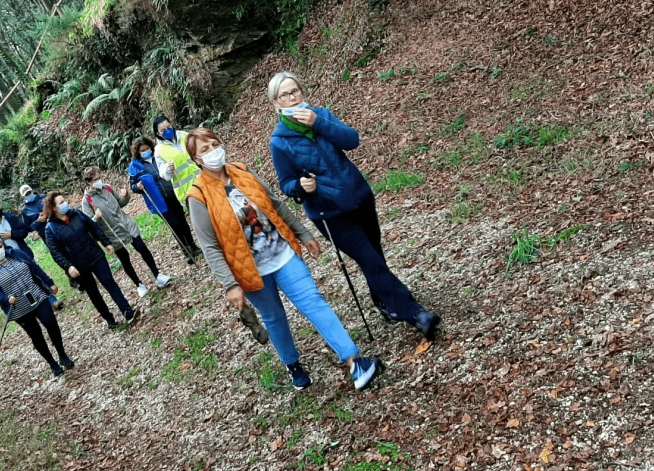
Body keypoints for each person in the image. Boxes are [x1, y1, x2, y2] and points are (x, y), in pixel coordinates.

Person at [185, 127, 381, 391]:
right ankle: (292, 365)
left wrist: (303, 234)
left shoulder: (242, 172)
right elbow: (209, 246)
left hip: (282, 253)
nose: (212, 152)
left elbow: (275, 205)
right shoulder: (198, 196)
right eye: (204, 150)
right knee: (274, 317)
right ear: (196, 159)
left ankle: (353, 361)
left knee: (313, 301)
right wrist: (230, 284)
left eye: (214, 144)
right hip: (250, 270)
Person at [267, 72, 440, 340]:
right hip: (329, 212)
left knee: (375, 254)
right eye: (285, 95)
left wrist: (319, 123)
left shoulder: (320, 114)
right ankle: (414, 312)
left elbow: (352, 140)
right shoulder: (280, 141)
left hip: (359, 196)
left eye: (295, 92)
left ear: (302, 92)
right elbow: (286, 183)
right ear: (276, 102)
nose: (292, 98)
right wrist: (301, 186)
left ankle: (384, 302)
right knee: (369, 259)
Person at [41, 190, 139, 329]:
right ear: (54, 208)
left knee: (110, 283)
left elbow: (94, 228)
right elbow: (55, 252)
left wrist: (106, 243)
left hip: (96, 255)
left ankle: (128, 312)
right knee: (94, 294)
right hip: (79, 266)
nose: (65, 204)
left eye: (65, 201)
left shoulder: (77, 214)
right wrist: (68, 266)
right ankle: (109, 319)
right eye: (61, 203)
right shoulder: (51, 229)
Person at [0, 237, 74, 376]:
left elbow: (35, 268)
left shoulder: (17, 254)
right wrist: (5, 298)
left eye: (0, 247)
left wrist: (49, 283)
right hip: (19, 308)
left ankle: (62, 355)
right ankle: (52, 363)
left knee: (51, 323)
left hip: (37, 295)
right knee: (36, 335)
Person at [80, 166, 170, 299]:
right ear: (88, 182)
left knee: (142, 248)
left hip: (126, 224)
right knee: (125, 259)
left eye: (99, 178)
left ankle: (158, 275)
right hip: (112, 233)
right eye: (95, 179)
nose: (99, 181)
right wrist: (96, 217)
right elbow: (90, 224)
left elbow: (120, 203)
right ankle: (139, 284)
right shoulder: (87, 201)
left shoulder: (107, 188)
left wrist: (125, 196)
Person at [128, 135, 201, 264]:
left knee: (182, 221)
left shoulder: (159, 156)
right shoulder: (135, 166)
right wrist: (138, 187)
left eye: (147, 148)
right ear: (137, 152)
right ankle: (186, 251)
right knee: (174, 225)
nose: (146, 151)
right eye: (142, 150)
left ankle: (193, 245)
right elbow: (132, 186)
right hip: (158, 200)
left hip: (172, 194)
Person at [152, 114, 201, 205]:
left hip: (203, 180)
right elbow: (164, 175)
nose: (167, 130)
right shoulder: (159, 151)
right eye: (163, 130)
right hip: (186, 190)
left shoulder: (184, 136)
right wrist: (168, 168)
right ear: (158, 133)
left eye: (169, 127)